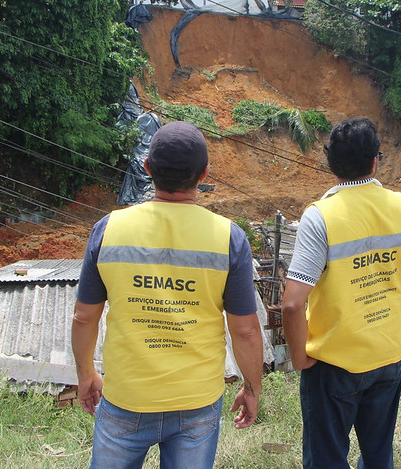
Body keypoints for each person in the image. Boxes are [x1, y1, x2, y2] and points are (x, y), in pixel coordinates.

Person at [72, 121, 263, 469]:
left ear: (147, 169)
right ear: (204, 174)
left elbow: (85, 316)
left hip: (127, 398)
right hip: (196, 403)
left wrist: (86, 374)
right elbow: (246, 330)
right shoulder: (229, 238)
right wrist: (252, 389)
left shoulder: (108, 229)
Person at [282, 117, 401, 469]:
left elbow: (292, 303)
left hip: (334, 363)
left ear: (331, 163)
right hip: (388, 355)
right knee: (379, 455)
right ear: (376, 160)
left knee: (326, 460)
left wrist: (299, 357)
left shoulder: (320, 217)